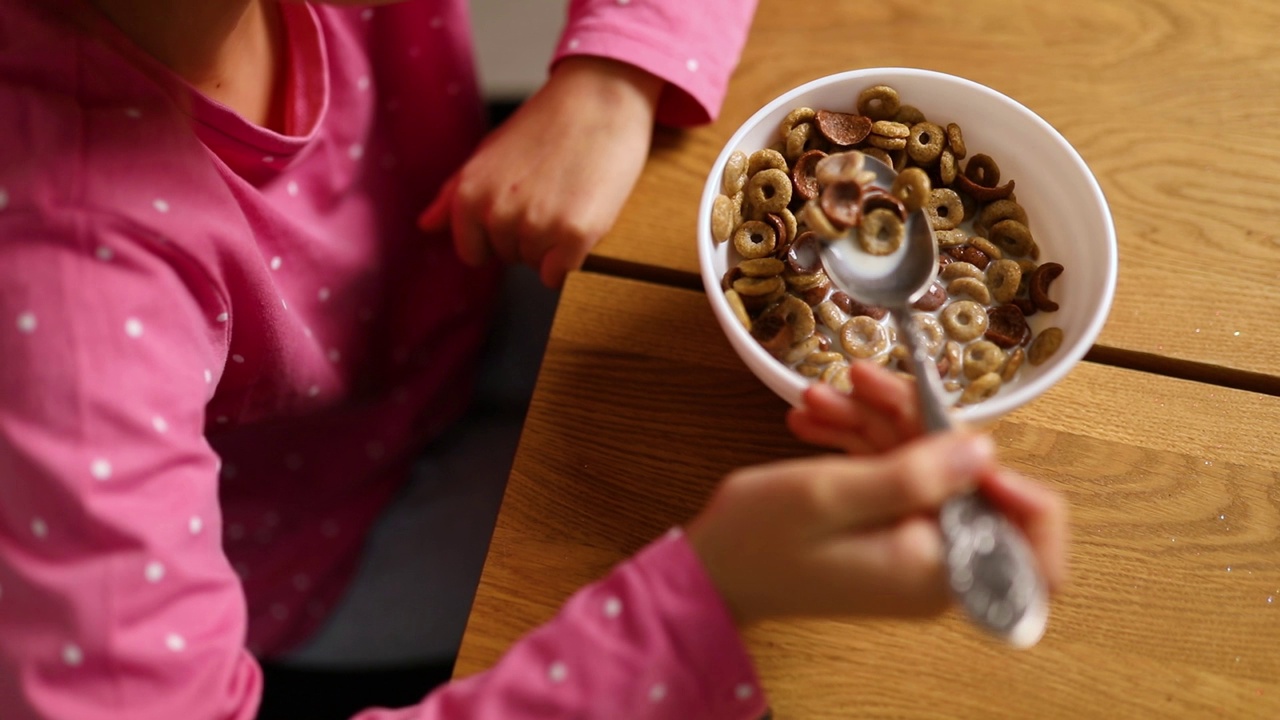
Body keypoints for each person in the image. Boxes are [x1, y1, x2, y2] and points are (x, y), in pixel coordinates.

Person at [0, 0, 1067, 716]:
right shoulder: (65, 297)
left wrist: (614, 74)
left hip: (442, 287)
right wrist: (700, 606)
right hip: (313, 546)